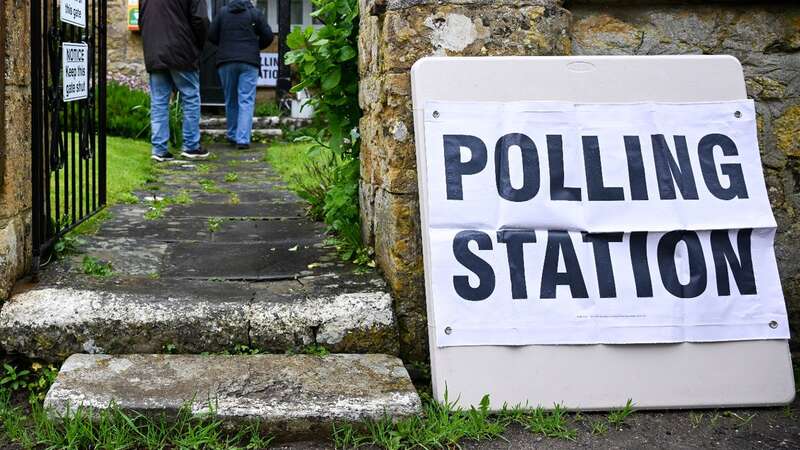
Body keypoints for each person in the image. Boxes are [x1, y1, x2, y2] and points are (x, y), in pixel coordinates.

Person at [139, 0, 210, 161]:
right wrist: (199, 46)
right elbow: (201, 20)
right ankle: (191, 146)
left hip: (154, 51)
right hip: (182, 49)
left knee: (158, 101)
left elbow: (142, 20)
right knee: (190, 97)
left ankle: (159, 149)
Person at [208, 0, 274, 149]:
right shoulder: (254, 13)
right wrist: (255, 46)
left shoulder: (223, 13)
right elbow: (268, 36)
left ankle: (232, 135)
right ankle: (242, 139)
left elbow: (211, 35)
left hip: (226, 61)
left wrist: (225, 44)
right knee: (246, 100)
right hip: (249, 62)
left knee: (230, 99)